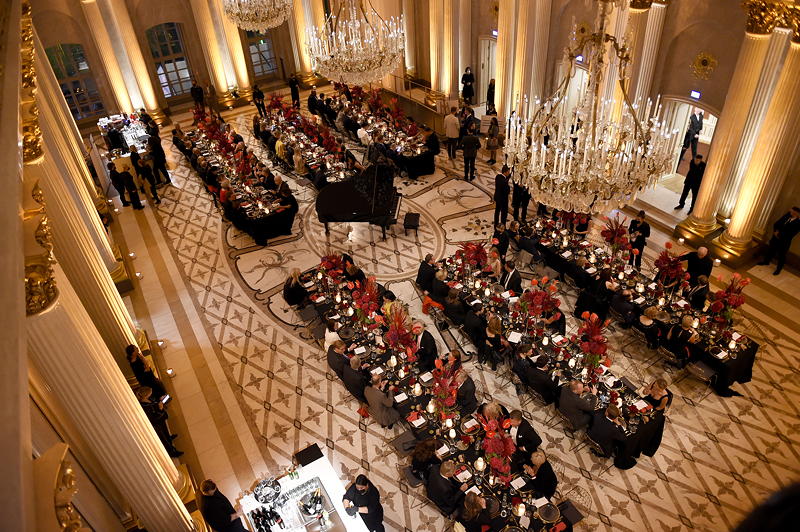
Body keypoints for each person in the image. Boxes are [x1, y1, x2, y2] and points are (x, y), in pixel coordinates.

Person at [135, 387, 183, 457]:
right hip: (157, 425)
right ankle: (172, 452)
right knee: (164, 440)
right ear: (145, 395)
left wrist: (160, 401)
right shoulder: (145, 407)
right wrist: (160, 410)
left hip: (161, 421)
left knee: (166, 433)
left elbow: (154, 404)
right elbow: (153, 419)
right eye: (149, 393)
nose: (151, 394)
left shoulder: (148, 400)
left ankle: (169, 438)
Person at [759, 206, 800, 275]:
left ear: (796, 213)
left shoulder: (798, 223)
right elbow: (777, 223)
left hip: (784, 241)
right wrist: (775, 231)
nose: (790, 212)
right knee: (771, 250)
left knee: (782, 255)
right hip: (775, 237)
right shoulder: (787, 216)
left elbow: (791, 233)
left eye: (792, 211)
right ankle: (766, 261)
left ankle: (778, 269)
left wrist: (779, 235)